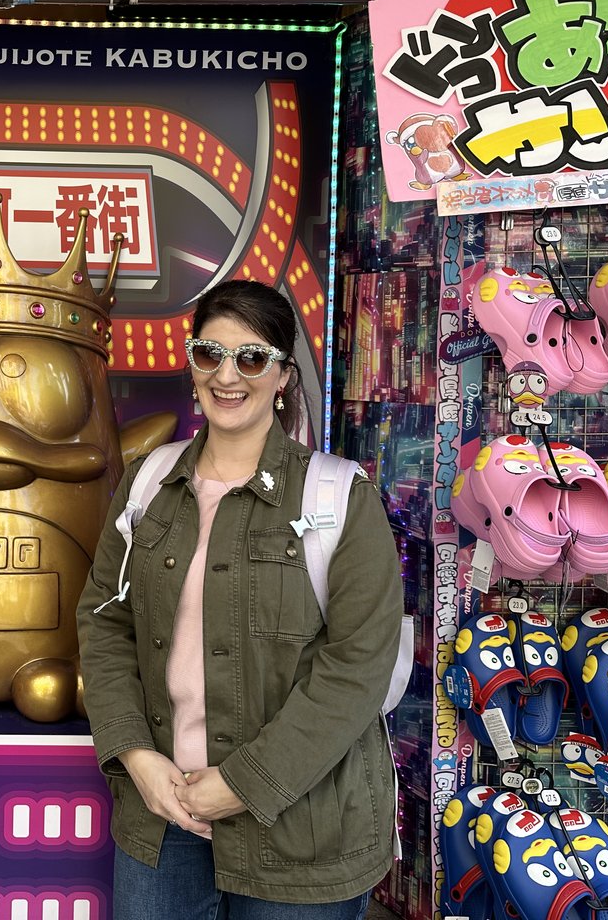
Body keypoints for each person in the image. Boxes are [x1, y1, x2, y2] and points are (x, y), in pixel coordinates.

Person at [77, 279, 403, 919]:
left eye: (252, 357)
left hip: (304, 831)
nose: (229, 375)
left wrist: (243, 784)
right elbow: (103, 624)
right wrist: (136, 756)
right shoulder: (150, 486)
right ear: (193, 365)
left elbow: (358, 667)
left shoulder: (339, 499)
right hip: (163, 816)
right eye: (210, 355)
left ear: (282, 375)